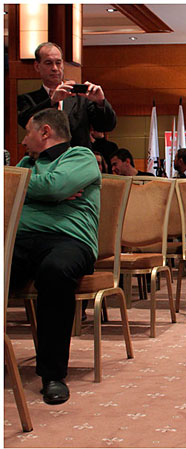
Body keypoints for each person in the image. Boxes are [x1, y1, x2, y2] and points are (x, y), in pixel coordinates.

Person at [11, 108, 101, 405]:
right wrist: (46, 189)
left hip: (70, 240)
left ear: (45, 132)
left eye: (27, 132)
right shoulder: (27, 163)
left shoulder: (81, 156)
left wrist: (24, 187)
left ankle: (53, 375)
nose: (24, 141)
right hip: (21, 240)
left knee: (54, 271)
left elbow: (54, 187)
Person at [17, 42, 116, 150]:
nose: (55, 68)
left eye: (58, 63)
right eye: (48, 63)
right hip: (43, 158)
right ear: (37, 66)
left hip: (77, 157)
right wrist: (52, 101)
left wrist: (100, 102)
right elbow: (25, 122)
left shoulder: (81, 98)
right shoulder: (27, 99)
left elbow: (106, 126)